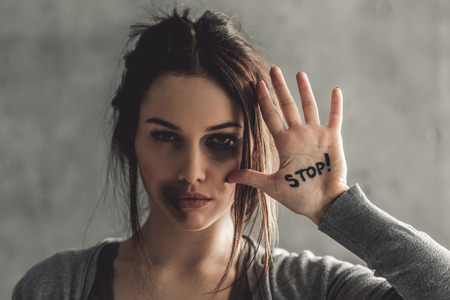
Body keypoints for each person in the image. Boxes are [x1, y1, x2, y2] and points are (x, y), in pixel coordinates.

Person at [13, 6, 450, 300]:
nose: (192, 172)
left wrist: (333, 206)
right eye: (166, 137)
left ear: (255, 148)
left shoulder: (311, 288)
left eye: (221, 141)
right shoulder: (57, 286)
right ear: (130, 139)